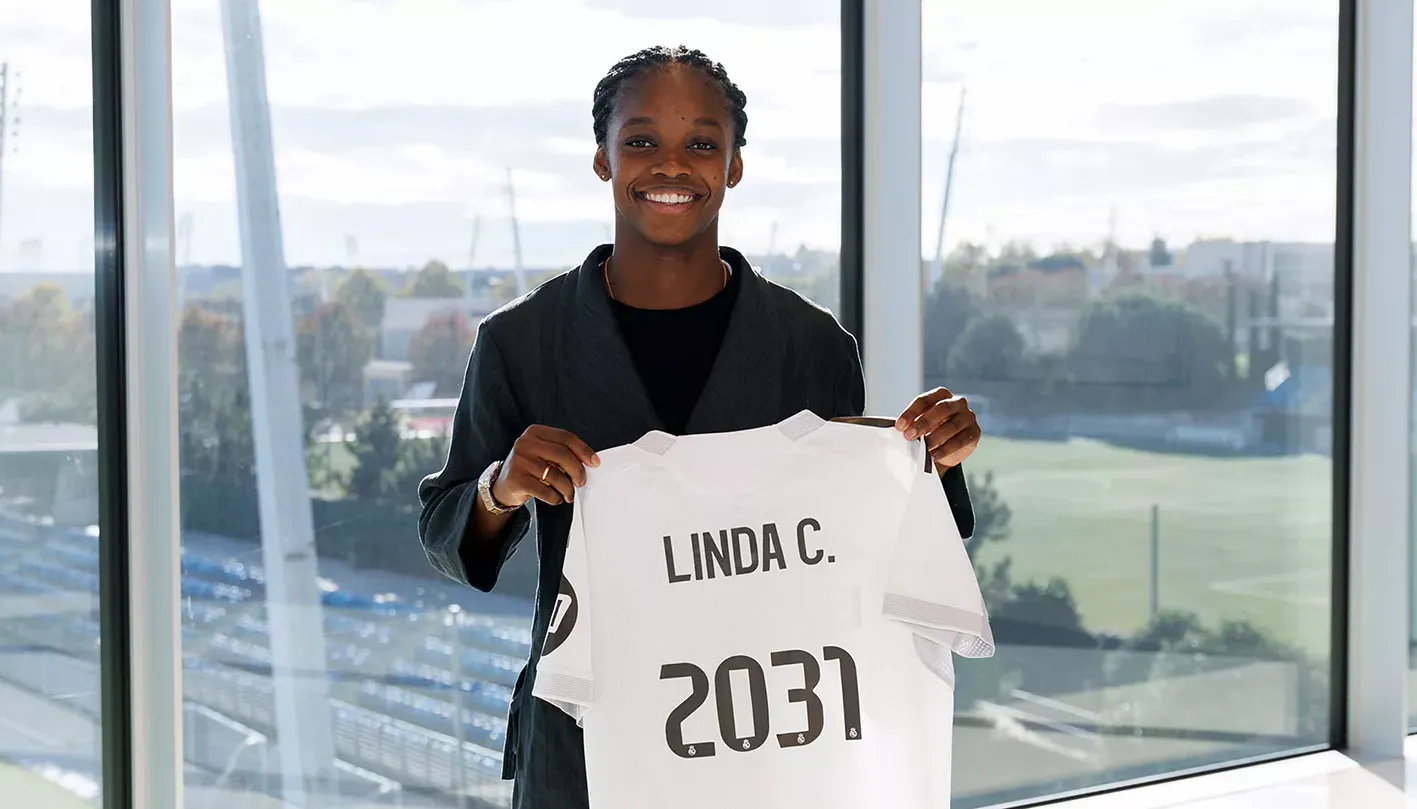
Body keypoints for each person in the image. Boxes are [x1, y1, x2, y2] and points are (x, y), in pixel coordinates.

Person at [417, 45, 982, 809]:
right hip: (585, 740)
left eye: (702, 144)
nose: (671, 166)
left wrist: (933, 462)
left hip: (770, 734)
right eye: (641, 140)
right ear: (601, 158)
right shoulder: (520, 341)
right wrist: (500, 488)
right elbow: (449, 536)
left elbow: (858, 545)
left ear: (735, 164)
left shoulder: (810, 344)